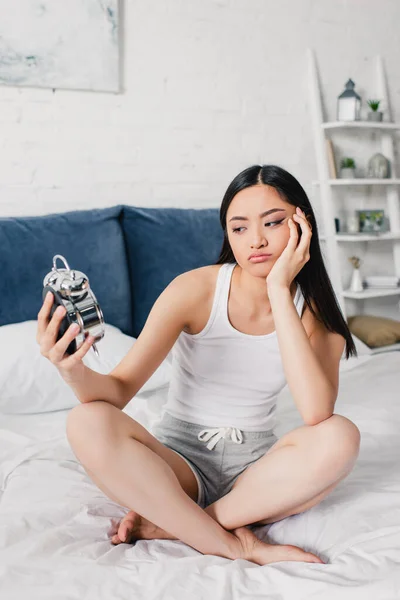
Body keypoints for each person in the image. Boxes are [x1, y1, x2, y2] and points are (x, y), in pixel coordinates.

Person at [36, 164, 361, 566]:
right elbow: (117, 391)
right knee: (84, 421)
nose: (256, 240)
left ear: (302, 225)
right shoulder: (195, 289)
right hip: (177, 468)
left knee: (340, 436)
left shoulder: (317, 317)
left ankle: (179, 525)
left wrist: (279, 289)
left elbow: (316, 413)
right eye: (239, 228)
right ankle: (230, 544)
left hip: (256, 476)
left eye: (273, 223)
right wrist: (72, 370)